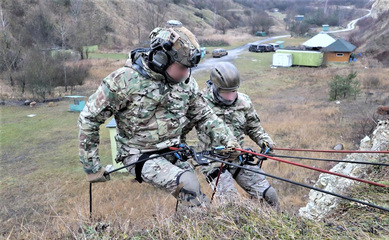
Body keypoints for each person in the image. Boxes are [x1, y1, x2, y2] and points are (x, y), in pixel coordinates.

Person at [78, 23, 240, 208]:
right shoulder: (123, 81)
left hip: (173, 151)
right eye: (181, 67)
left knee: (197, 201)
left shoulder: (186, 83)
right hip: (138, 154)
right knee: (188, 185)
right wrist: (91, 166)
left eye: (189, 68)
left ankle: (190, 232)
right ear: (161, 59)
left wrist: (229, 140)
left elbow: (204, 115)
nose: (186, 73)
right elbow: (89, 117)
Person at [181, 62, 279, 207]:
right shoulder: (200, 103)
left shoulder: (244, 102)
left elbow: (253, 127)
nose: (230, 96)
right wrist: (183, 152)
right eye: (225, 92)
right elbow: (181, 129)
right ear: (214, 87)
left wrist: (264, 141)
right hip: (212, 161)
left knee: (270, 196)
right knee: (231, 204)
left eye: (233, 91)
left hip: (239, 157)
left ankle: (274, 226)